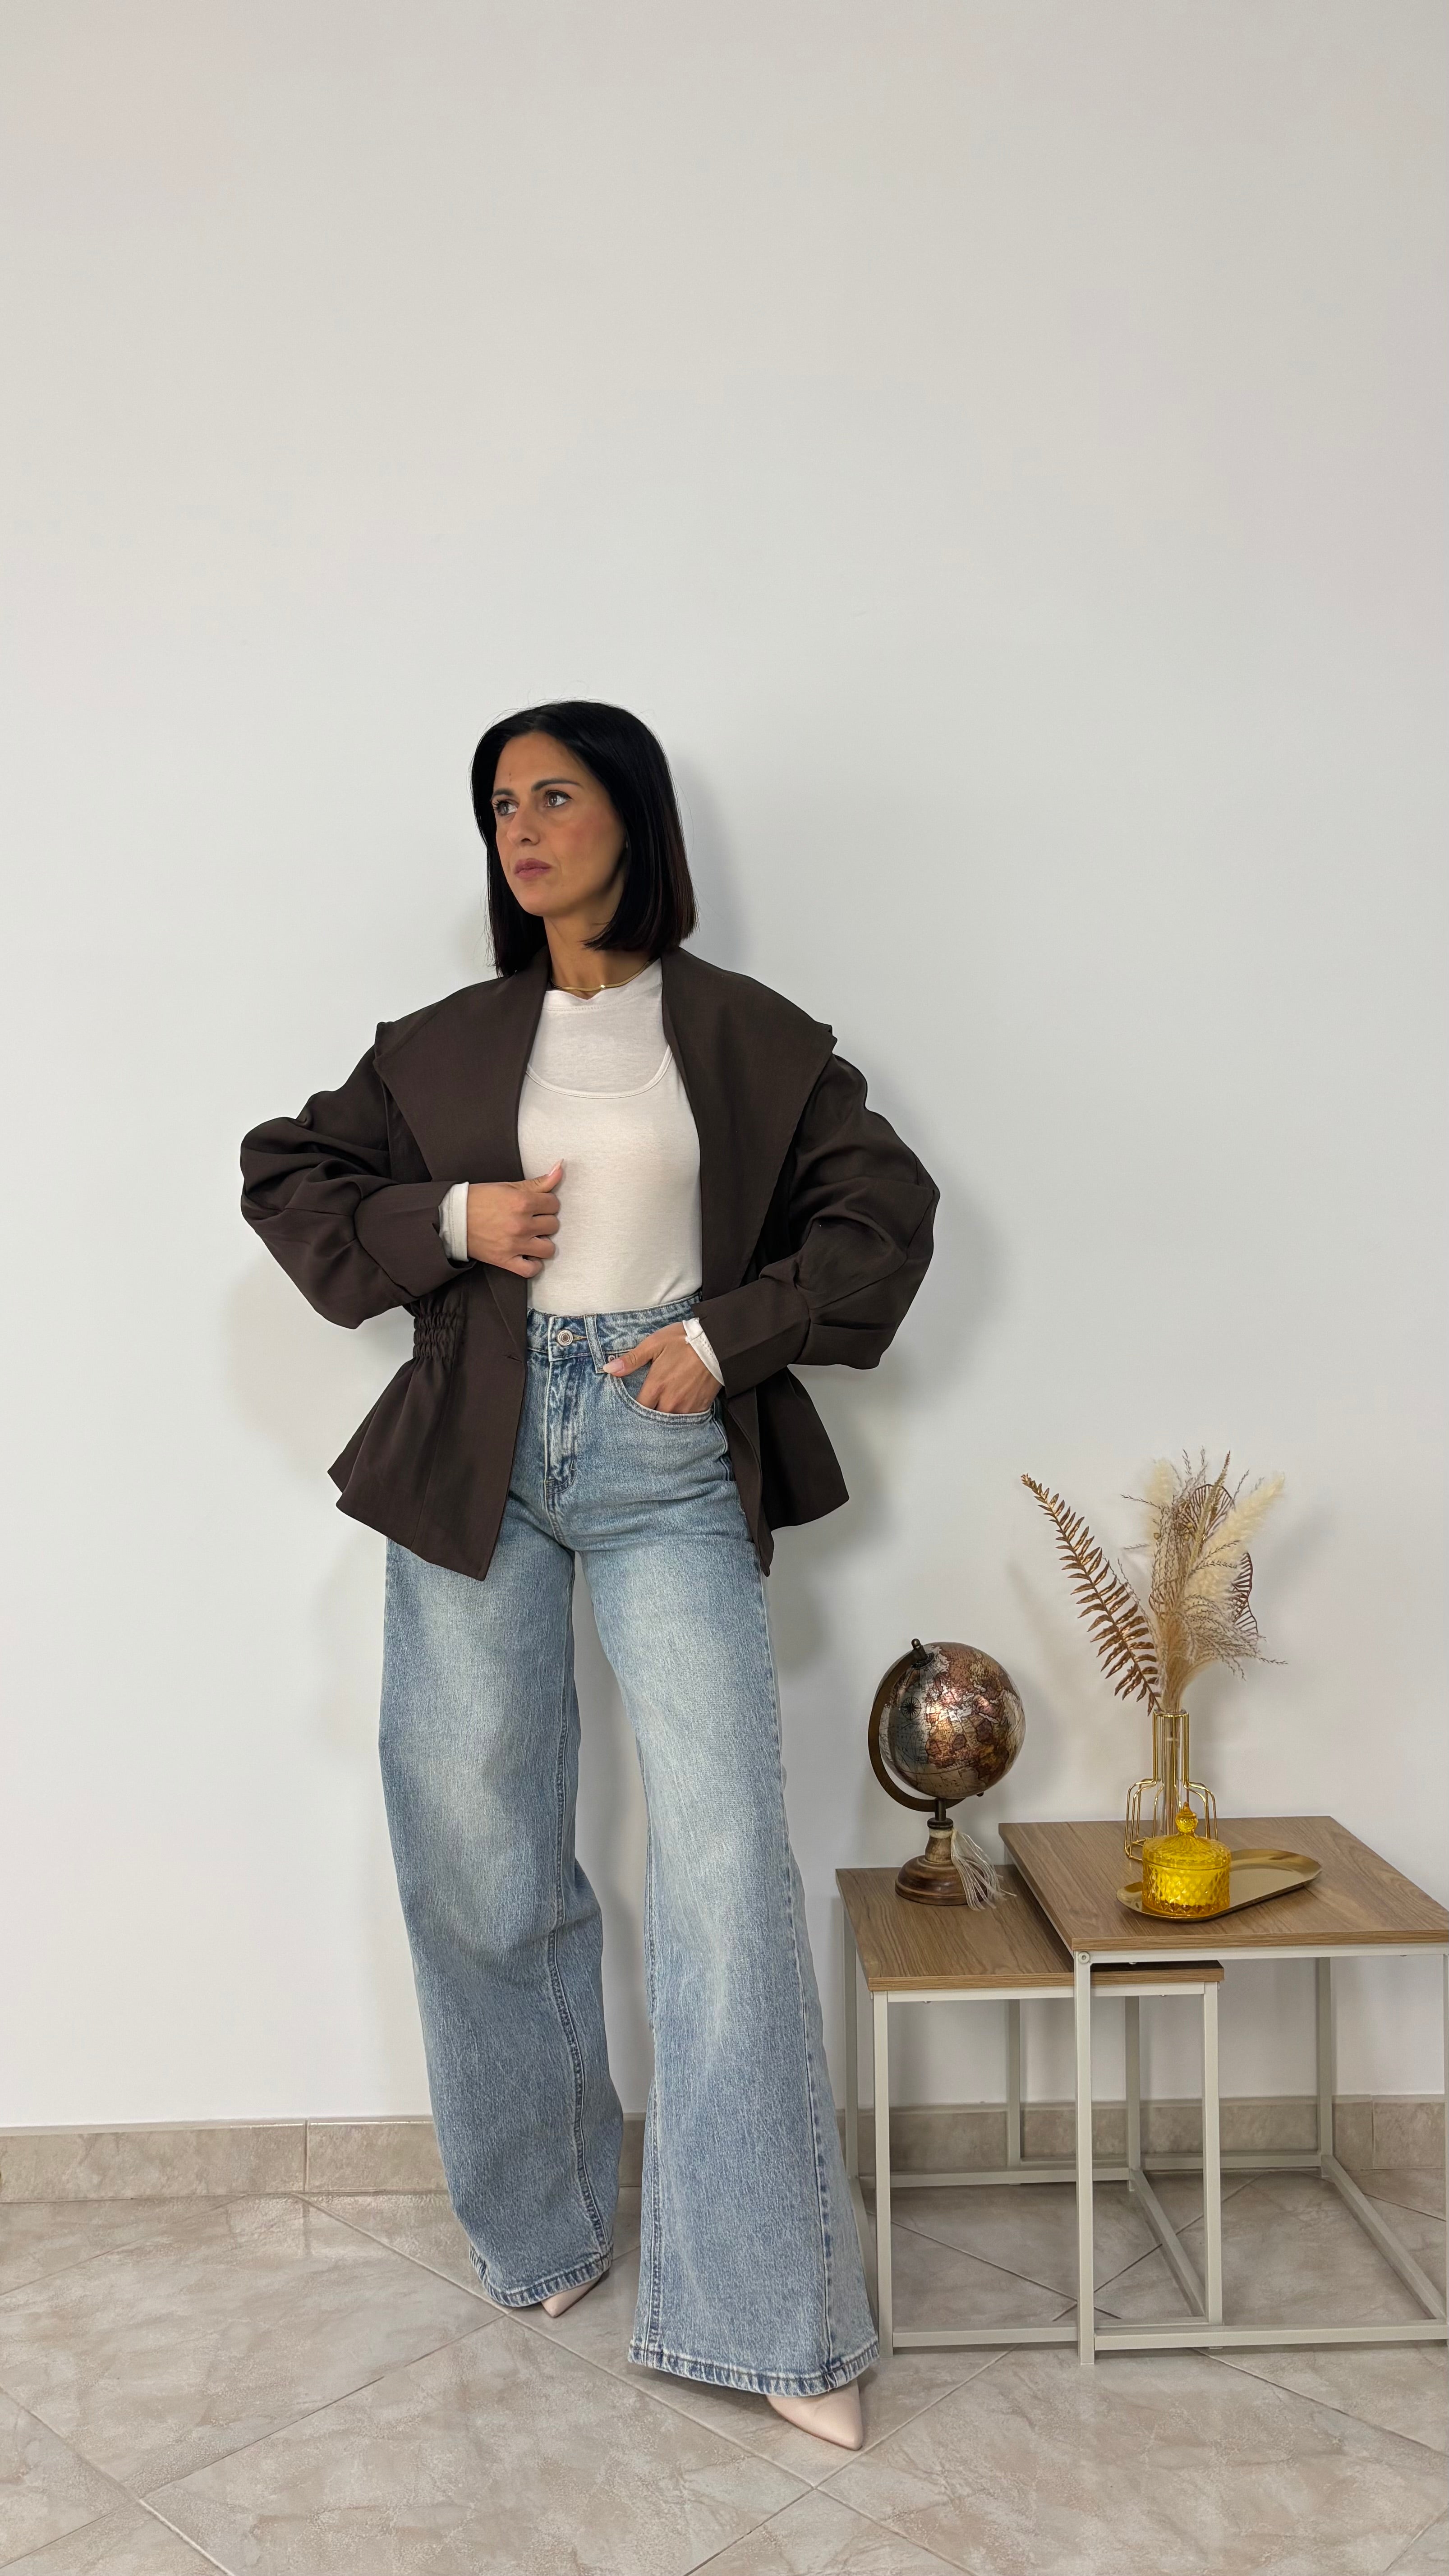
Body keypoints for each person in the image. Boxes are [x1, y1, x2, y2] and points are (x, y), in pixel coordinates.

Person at [239, 699, 938, 2450]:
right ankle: (541, 2224)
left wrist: (728, 1334)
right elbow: (289, 1172)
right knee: (476, 1846)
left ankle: (772, 2316)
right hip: (480, 1450)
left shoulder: (749, 1035)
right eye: (501, 805)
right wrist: (449, 1221)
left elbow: (885, 1219)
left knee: (720, 1867)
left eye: (556, 794)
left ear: (632, 815)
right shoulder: (446, 1043)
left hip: (660, 1449)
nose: (524, 828)